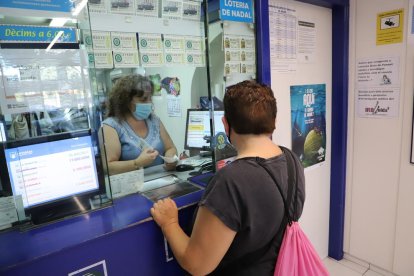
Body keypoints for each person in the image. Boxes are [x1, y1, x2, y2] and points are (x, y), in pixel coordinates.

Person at [151, 80, 306, 275]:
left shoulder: (231, 181)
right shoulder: (292, 160)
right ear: (274, 121)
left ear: (225, 124)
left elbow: (197, 265)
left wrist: (169, 223)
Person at [102, 74, 177, 175]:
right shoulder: (112, 126)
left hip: (162, 183)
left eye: (150, 98)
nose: (149, 103)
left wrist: (170, 159)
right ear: (126, 101)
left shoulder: (154, 120)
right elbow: (108, 167)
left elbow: (170, 148)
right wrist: (137, 163)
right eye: (143, 100)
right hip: (131, 188)